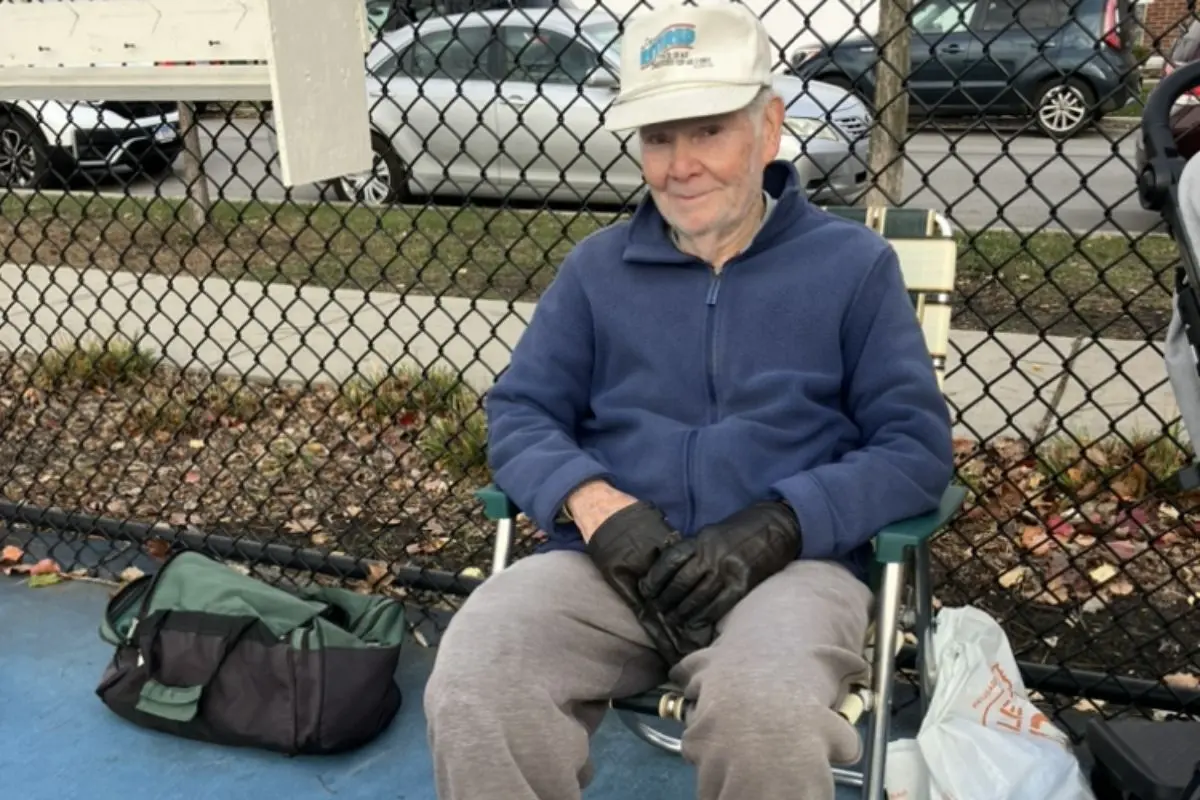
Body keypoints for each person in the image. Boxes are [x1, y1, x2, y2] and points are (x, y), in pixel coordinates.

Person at [423, 2, 955, 798]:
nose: (680, 166)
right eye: (659, 138)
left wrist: (780, 523)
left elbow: (914, 449)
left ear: (769, 129)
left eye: (708, 131)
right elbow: (522, 410)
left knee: (765, 712)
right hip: (610, 565)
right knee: (476, 681)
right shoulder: (597, 271)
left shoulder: (854, 267)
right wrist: (600, 509)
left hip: (793, 571)